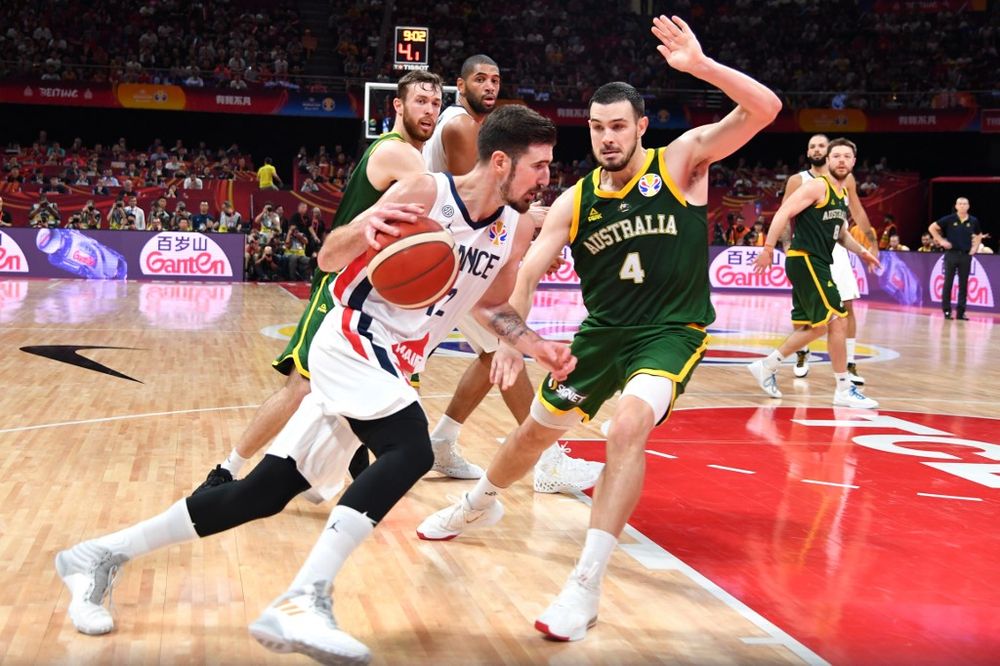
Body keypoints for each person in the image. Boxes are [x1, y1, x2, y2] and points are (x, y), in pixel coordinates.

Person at [55, 105, 572, 665]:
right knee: (411, 449)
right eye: (539, 166)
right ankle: (305, 598)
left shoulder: (511, 227)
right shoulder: (426, 192)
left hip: (393, 361)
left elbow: (493, 305)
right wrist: (360, 230)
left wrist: (534, 344)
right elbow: (328, 257)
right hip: (352, 336)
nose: (547, 179)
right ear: (501, 162)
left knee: (264, 493)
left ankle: (98, 556)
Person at [417, 15, 782, 642]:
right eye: (596, 127)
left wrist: (699, 68)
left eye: (618, 126)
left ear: (640, 127)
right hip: (602, 334)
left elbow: (766, 108)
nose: (607, 138)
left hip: (671, 331)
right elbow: (527, 272)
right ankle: (478, 504)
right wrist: (513, 335)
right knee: (534, 435)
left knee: (630, 425)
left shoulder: (682, 163)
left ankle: (584, 586)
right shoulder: (576, 199)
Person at [195, 70, 445, 493]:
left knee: (379, 379)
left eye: (436, 103)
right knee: (303, 384)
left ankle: (353, 462)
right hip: (341, 284)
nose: (430, 110)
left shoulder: (405, 155)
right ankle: (227, 469)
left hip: (369, 290)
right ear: (398, 106)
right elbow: (439, 205)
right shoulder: (401, 155)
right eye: (420, 101)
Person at [423, 54, 602, 492]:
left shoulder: (472, 126)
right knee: (507, 348)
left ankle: (442, 441)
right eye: (479, 79)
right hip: (450, 257)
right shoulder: (462, 125)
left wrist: (522, 244)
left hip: (456, 255)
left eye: (496, 79)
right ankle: (547, 462)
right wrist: (528, 227)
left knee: (493, 356)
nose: (489, 86)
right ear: (459, 87)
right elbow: (482, 199)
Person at [748, 138, 881, 408]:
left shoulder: (841, 195)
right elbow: (784, 211)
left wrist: (863, 252)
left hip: (817, 261)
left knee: (819, 326)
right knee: (838, 320)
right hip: (805, 259)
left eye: (847, 156)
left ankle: (767, 365)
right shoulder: (817, 186)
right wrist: (768, 248)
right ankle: (843, 387)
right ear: (828, 161)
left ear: (854, 163)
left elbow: (841, 234)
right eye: (837, 156)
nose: (842, 160)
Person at [783, 134, 877, 385]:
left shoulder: (845, 180)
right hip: (808, 249)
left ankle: (850, 363)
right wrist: (784, 245)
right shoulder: (798, 180)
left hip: (837, 246)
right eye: (812, 146)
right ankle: (802, 354)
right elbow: (784, 213)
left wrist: (870, 242)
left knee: (847, 306)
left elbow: (856, 210)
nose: (816, 149)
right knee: (805, 309)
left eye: (821, 146)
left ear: (830, 151)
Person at [929, 197, 983, 320]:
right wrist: (941, 240)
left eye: (965, 204)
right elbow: (932, 228)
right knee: (948, 283)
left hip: (965, 255)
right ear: (956, 206)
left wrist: (975, 248)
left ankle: (960, 312)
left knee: (963, 284)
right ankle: (947, 311)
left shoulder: (973, 220)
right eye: (960, 204)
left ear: (968, 206)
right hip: (951, 255)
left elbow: (979, 234)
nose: (963, 206)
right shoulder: (949, 219)